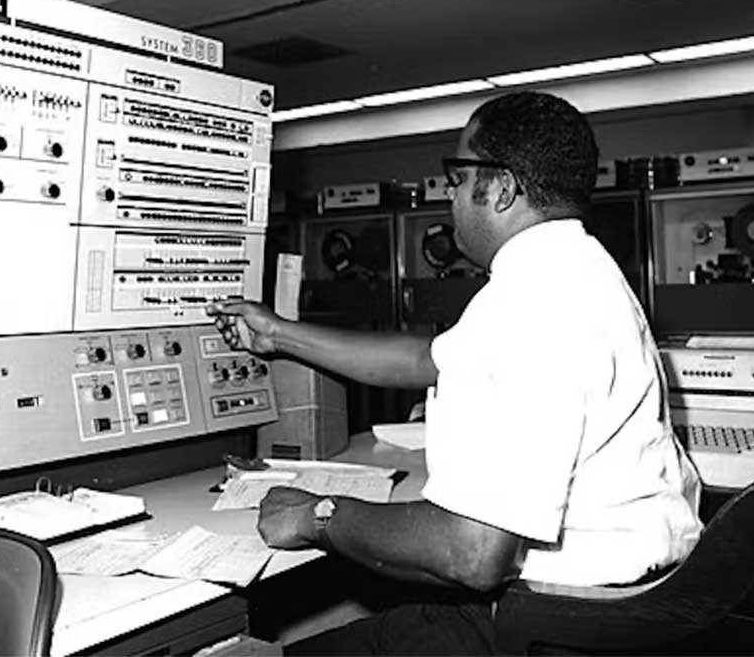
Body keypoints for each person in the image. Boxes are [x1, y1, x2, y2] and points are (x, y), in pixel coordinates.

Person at [207, 91, 702, 655]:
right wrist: (276, 334)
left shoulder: (530, 305)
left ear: (502, 188)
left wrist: (317, 516)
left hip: (554, 627)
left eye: (458, 177)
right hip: (631, 608)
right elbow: (426, 360)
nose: (450, 194)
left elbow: (473, 554)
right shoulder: (578, 270)